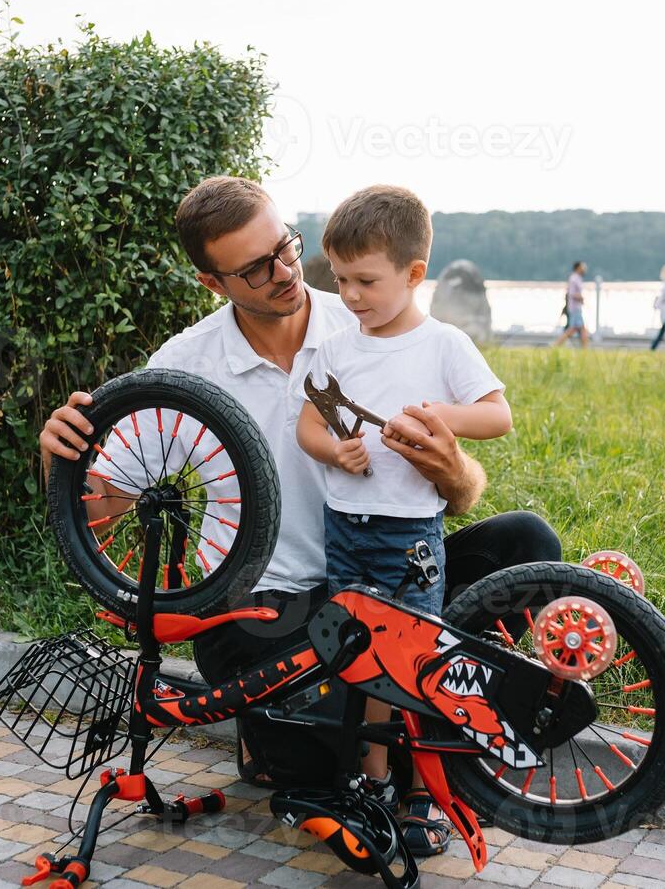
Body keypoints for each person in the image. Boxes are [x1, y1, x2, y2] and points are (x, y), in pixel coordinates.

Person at [38, 176, 563, 854]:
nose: (284, 273)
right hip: (263, 611)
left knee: (527, 545)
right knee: (323, 745)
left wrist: (453, 468)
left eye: (285, 248)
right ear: (211, 282)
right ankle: (369, 747)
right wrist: (60, 455)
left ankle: (406, 775)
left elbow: (461, 498)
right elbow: (100, 499)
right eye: (255, 268)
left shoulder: (370, 315)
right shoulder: (187, 364)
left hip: (384, 574)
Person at [295, 185, 512, 806]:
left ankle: (424, 787)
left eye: (366, 281)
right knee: (357, 657)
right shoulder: (335, 349)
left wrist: (438, 415)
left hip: (409, 534)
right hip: (346, 528)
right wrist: (335, 450)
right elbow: (310, 422)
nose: (351, 297)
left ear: (414, 274)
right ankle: (374, 779)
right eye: (340, 281)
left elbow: (497, 416)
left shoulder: (443, 345)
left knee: (415, 657)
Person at [552, 260, 589, 347]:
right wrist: (580, 298)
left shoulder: (578, 278)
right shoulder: (573, 279)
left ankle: (584, 349)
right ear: (577, 268)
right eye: (582, 267)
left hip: (577, 307)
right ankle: (556, 345)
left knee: (577, 329)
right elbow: (571, 293)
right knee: (574, 329)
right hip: (574, 308)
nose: (584, 268)